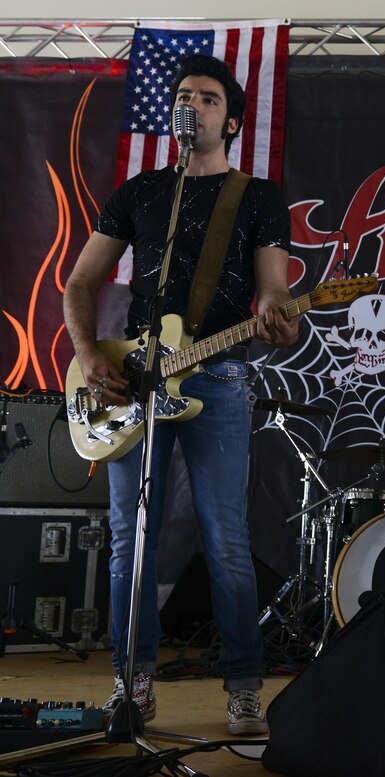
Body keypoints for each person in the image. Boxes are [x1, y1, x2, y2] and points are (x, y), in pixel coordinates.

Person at [63, 54, 297, 736]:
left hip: (217, 378)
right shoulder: (140, 192)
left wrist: (278, 314)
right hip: (133, 378)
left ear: (233, 119)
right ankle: (131, 683)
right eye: (184, 96)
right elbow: (80, 282)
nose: (193, 105)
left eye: (209, 98)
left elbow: (275, 291)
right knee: (128, 540)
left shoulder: (258, 198)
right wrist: (88, 353)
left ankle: (244, 688)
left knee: (226, 539)